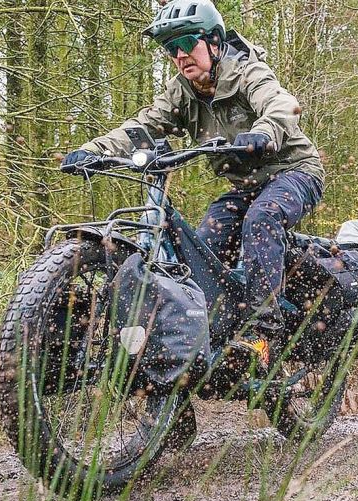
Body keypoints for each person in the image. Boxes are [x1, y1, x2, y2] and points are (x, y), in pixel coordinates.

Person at [61, 0, 324, 369]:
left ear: (214, 42)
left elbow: (282, 105)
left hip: (294, 171)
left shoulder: (247, 71)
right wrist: (92, 150)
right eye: (171, 49)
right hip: (245, 186)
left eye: (187, 42)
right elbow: (143, 127)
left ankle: (263, 333)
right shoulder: (180, 92)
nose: (181, 55)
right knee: (203, 251)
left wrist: (263, 133)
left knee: (262, 219)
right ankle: (219, 335)